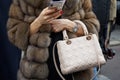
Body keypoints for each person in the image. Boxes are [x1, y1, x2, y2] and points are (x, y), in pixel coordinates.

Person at [7, 0, 100, 80]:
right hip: (36, 69)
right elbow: (14, 33)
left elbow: (93, 27)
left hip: (76, 65)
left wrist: (71, 26)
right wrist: (38, 22)